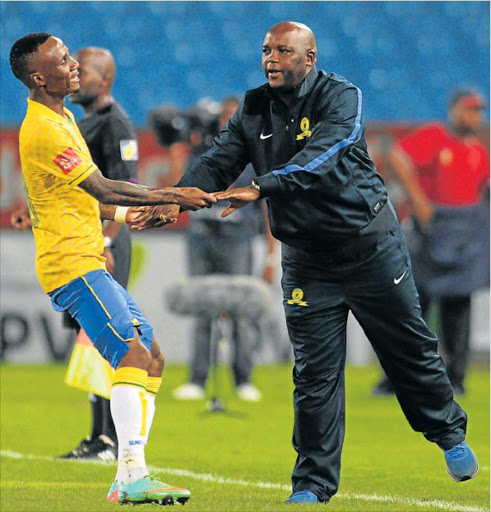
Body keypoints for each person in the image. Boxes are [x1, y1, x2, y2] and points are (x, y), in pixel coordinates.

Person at [130, 22, 479, 504]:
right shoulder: (254, 106)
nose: (271, 58)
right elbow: (219, 159)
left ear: (310, 58)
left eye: (284, 51)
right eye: (266, 50)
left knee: (409, 352)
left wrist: (263, 185)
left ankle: (448, 433)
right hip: (307, 260)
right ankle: (312, 484)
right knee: (314, 374)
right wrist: (175, 198)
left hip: (368, 248)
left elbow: (326, 154)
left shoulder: (341, 97)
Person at [10, 32, 217, 505]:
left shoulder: (63, 119)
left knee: (152, 356)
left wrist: (129, 216)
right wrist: (171, 194)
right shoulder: (44, 127)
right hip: (74, 264)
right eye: (63, 59)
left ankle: (132, 470)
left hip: (86, 259)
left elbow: (85, 199)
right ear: (40, 77)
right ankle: (128, 474)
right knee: (130, 353)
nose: (74, 64)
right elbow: (103, 187)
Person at [372, 88, 490, 397]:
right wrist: (419, 199)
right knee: (412, 307)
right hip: (430, 234)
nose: (475, 116)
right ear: (454, 110)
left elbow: (482, 190)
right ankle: (400, 377)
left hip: (463, 239)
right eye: (470, 110)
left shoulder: (477, 149)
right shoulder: (436, 136)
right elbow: (396, 157)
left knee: (458, 308)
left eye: (478, 111)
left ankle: (455, 377)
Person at [55, 46, 141, 460]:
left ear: (104, 79)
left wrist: (105, 242)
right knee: (89, 339)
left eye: (81, 69)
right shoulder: (82, 122)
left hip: (105, 241)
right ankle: (97, 436)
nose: (74, 74)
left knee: (106, 336)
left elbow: (125, 189)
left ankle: (110, 439)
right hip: (84, 240)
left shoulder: (116, 124)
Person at [162, 96, 274, 402]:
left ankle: (243, 378)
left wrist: (271, 254)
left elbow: (267, 208)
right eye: (224, 116)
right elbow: (178, 188)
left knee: (240, 309)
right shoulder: (201, 152)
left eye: (233, 116)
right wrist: (177, 152)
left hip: (237, 237)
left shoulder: (254, 157)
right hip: (202, 234)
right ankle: (198, 379)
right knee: (202, 307)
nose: (227, 121)